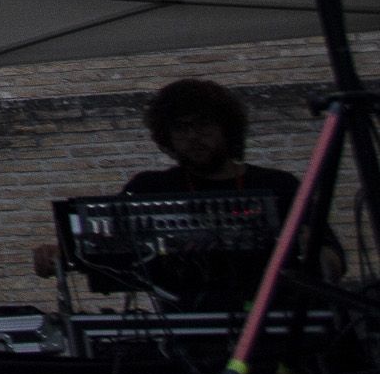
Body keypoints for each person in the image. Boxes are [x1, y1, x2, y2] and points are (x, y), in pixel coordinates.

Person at [32, 76, 339, 309]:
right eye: (181, 128)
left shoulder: (279, 185)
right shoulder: (149, 188)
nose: (193, 137)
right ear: (166, 137)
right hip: (186, 334)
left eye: (203, 125)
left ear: (226, 129)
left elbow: (333, 262)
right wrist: (61, 255)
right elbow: (104, 249)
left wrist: (315, 252)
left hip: (277, 327)